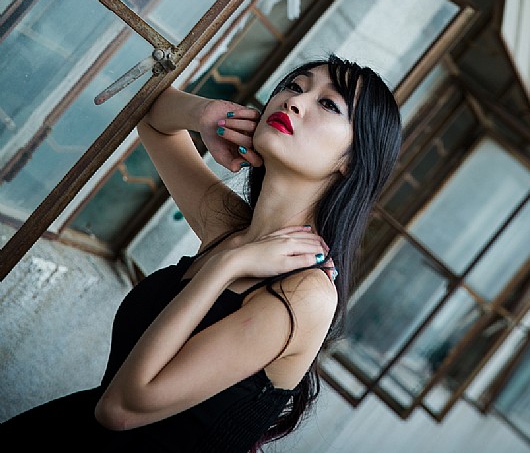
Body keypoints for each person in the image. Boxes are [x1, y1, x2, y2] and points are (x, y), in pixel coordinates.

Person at [0, 54, 402, 451]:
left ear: (352, 161)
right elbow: (151, 116)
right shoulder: (232, 229)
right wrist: (207, 115)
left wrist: (228, 265)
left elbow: (120, 409)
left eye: (328, 104)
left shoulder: (306, 294)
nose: (294, 101)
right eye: (295, 86)